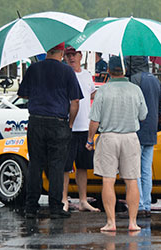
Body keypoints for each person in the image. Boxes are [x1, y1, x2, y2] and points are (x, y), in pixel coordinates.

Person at [17, 42, 83, 219]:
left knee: (35, 165)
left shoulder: (34, 68)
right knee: (56, 166)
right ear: (61, 52)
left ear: (47, 51)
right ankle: (55, 207)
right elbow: (75, 101)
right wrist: (69, 125)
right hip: (58, 122)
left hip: (36, 121)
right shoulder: (67, 71)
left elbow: (22, 94)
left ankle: (31, 207)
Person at [86, 56, 148, 232]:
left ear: (109, 71)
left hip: (108, 137)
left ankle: (111, 222)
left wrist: (90, 140)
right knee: (132, 180)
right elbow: (143, 115)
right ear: (125, 71)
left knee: (108, 180)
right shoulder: (136, 90)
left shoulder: (103, 91)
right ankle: (133, 222)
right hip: (130, 137)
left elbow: (94, 121)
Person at [126, 56, 161, 218]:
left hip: (136, 130)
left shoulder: (134, 80)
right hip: (151, 131)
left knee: (135, 171)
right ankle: (147, 204)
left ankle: (139, 205)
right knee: (146, 170)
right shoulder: (155, 80)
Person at [62, 47, 100, 212]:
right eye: (68, 55)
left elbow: (91, 93)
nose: (71, 58)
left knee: (83, 166)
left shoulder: (86, 75)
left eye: (74, 55)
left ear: (80, 56)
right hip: (69, 126)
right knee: (65, 166)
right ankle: (64, 199)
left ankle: (83, 199)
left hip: (85, 126)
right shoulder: (63, 74)